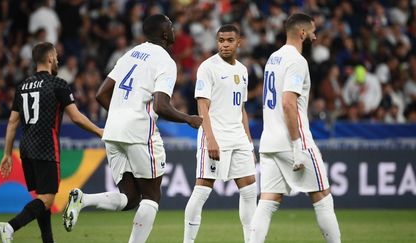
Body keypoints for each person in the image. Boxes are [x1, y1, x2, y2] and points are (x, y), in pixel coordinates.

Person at [62, 14, 202, 243]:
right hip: (139, 130)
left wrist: (121, 111)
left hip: (113, 130)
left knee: (130, 198)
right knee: (152, 197)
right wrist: (189, 118)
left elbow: (100, 94)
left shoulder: (130, 54)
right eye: (171, 26)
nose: (174, 29)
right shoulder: (165, 60)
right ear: (165, 33)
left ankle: (83, 199)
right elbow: (161, 105)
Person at [0, 42, 103, 243]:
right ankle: (10, 227)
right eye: (56, 56)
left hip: (25, 148)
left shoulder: (22, 86)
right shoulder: (58, 84)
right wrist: (98, 131)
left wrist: (7, 154)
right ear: (50, 58)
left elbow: (12, 122)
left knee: (41, 199)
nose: (58, 60)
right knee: (47, 199)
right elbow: (76, 117)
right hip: (46, 148)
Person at [249, 13, 341, 243]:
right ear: (302, 33)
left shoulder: (273, 58)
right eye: (313, 31)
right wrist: (298, 144)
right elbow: (289, 103)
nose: (315, 37)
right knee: (322, 197)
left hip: (269, 140)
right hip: (292, 140)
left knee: (268, 201)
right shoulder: (297, 61)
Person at [184, 24, 257, 243]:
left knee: (250, 190)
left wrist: (249, 140)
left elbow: (241, 108)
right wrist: (211, 139)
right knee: (203, 190)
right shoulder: (208, 67)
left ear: (238, 42)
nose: (225, 44)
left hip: (238, 137)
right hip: (215, 136)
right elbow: (202, 106)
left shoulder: (242, 70)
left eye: (229, 40)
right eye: (221, 40)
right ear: (217, 42)